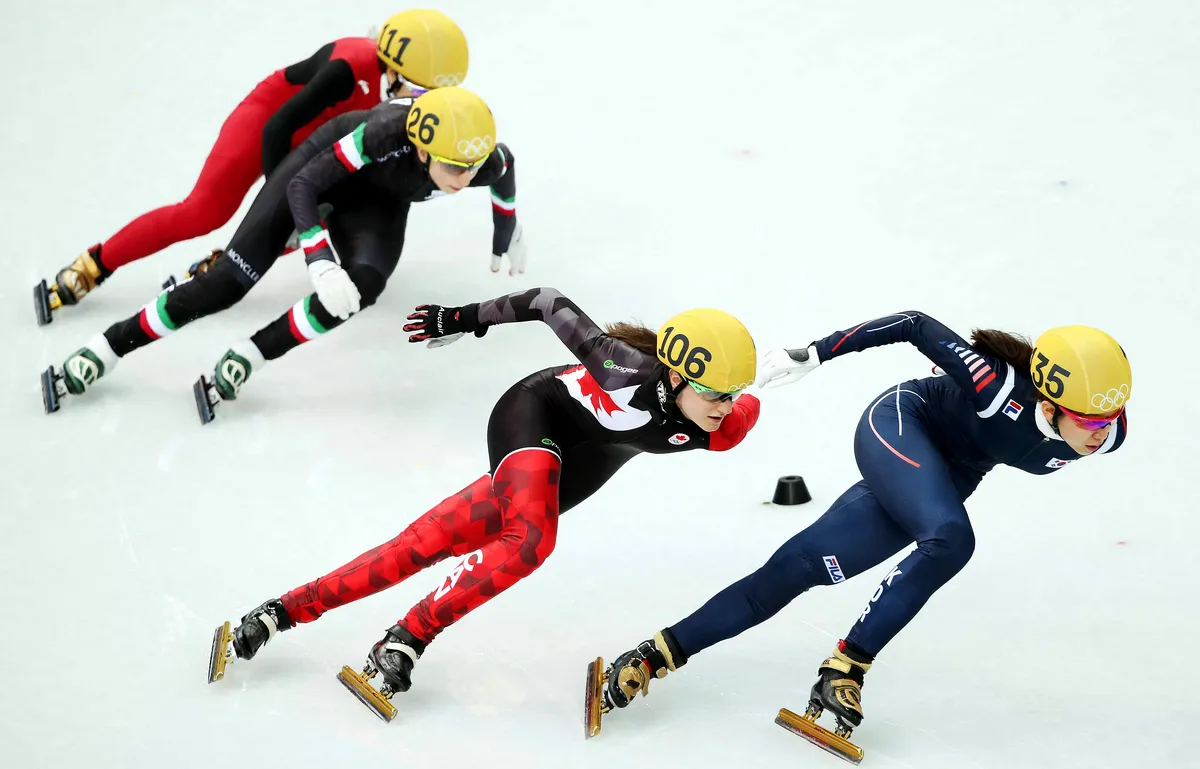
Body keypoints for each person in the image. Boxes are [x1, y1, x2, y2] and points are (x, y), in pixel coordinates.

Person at [206, 287, 761, 722]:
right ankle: (409, 636)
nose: (726, 407)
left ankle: (278, 612)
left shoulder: (725, 425)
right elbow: (545, 301)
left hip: (573, 470)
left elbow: (796, 362)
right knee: (532, 542)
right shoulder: (619, 367)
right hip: (532, 417)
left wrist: (836, 346)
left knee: (418, 547)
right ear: (680, 374)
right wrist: (462, 319)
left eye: (734, 395)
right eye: (716, 395)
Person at [592, 311, 1131, 759]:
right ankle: (848, 667)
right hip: (901, 426)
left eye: (1110, 419)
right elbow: (916, 325)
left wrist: (1101, 425)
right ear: (1048, 404)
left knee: (797, 569)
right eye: (1089, 422)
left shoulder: (1109, 433)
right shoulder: (994, 385)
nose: (1102, 433)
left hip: (947, 474)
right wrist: (817, 351)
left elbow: (1096, 425)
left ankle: (653, 655)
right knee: (950, 539)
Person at [41, 85, 522, 417]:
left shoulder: (482, 163)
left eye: (474, 167)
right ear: (421, 149)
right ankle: (106, 347)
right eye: (457, 168)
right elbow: (305, 184)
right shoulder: (381, 135)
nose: (467, 180)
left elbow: (506, 170)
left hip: (378, 200)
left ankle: (250, 356)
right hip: (316, 169)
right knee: (225, 285)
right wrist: (318, 260)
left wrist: (507, 230)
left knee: (362, 287)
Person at [33, 9, 470, 326]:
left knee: (309, 220)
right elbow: (280, 127)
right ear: (393, 69)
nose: (423, 101)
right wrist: (278, 196)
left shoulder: (416, 101)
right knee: (204, 211)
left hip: (327, 142)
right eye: (419, 88)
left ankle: (220, 263)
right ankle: (94, 265)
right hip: (271, 123)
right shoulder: (347, 68)